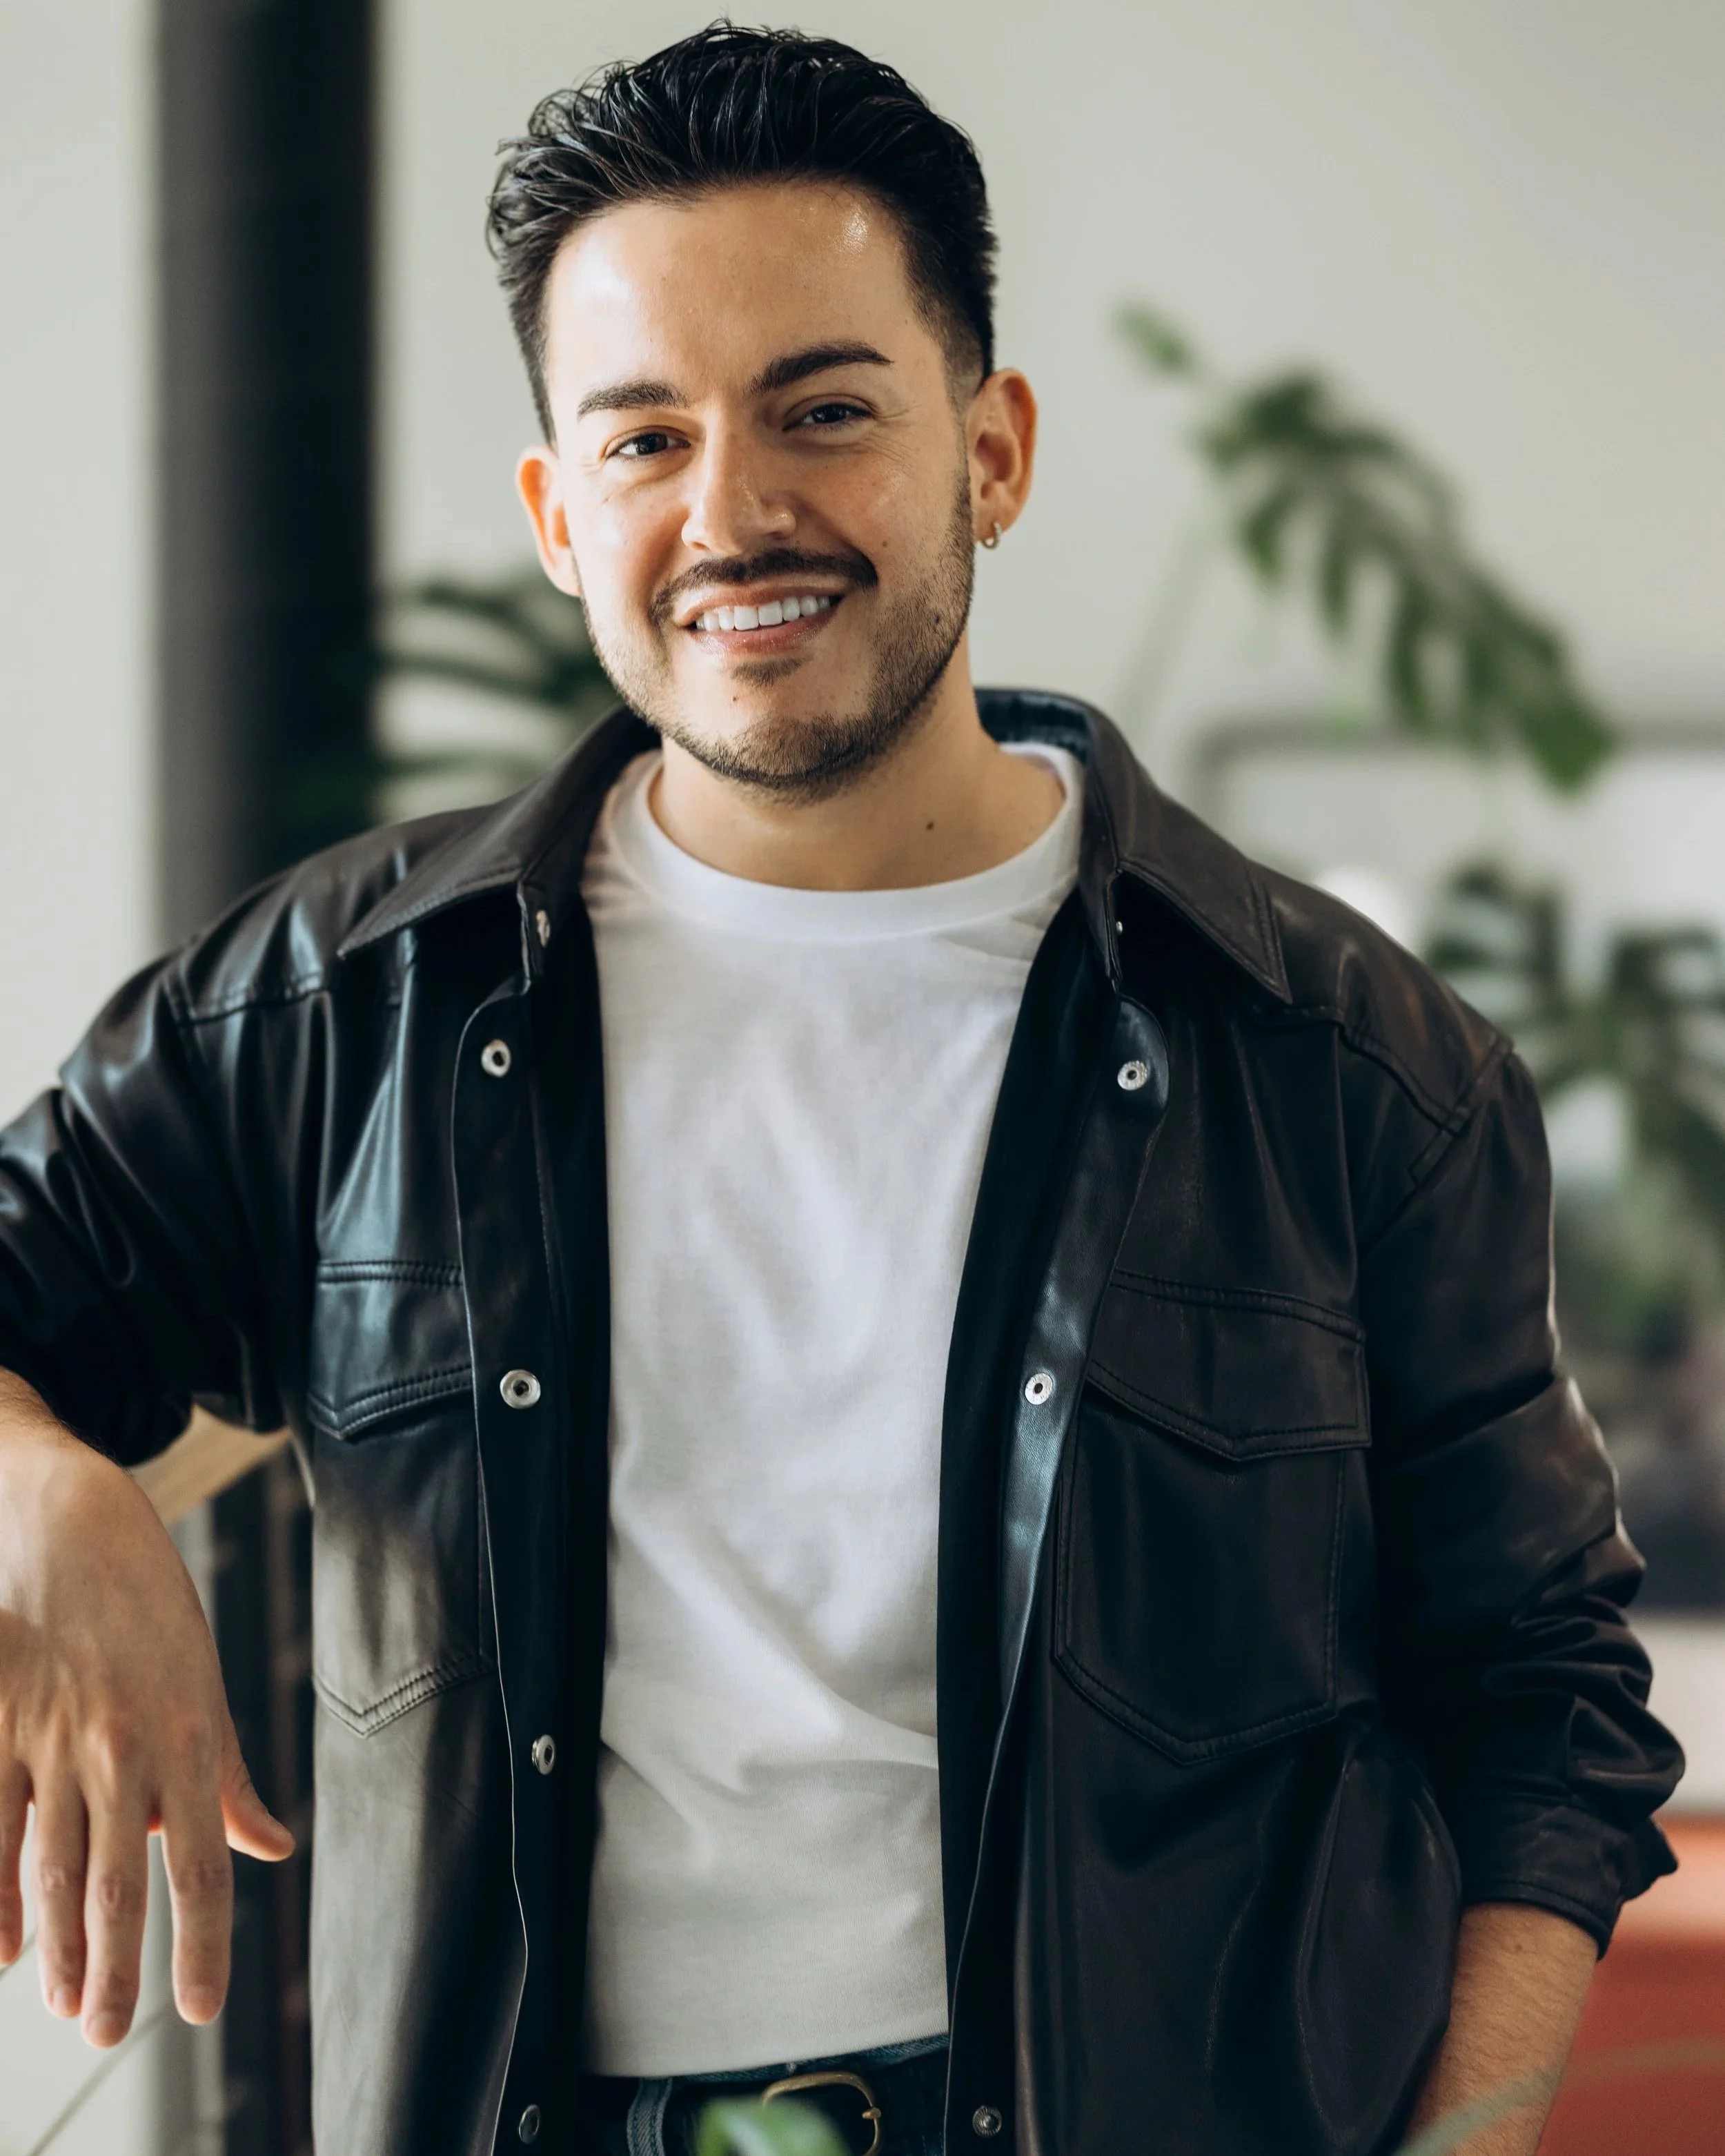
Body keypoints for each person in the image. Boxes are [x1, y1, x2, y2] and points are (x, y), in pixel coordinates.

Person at [0, 25, 1682, 2156]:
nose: (732, 512)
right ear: (553, 511)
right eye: (641, 440)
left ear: (991, 449)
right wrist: (48, 1495)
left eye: (822, 410)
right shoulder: (342, 1009)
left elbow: (1540, 1695)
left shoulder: (1347, 1061)